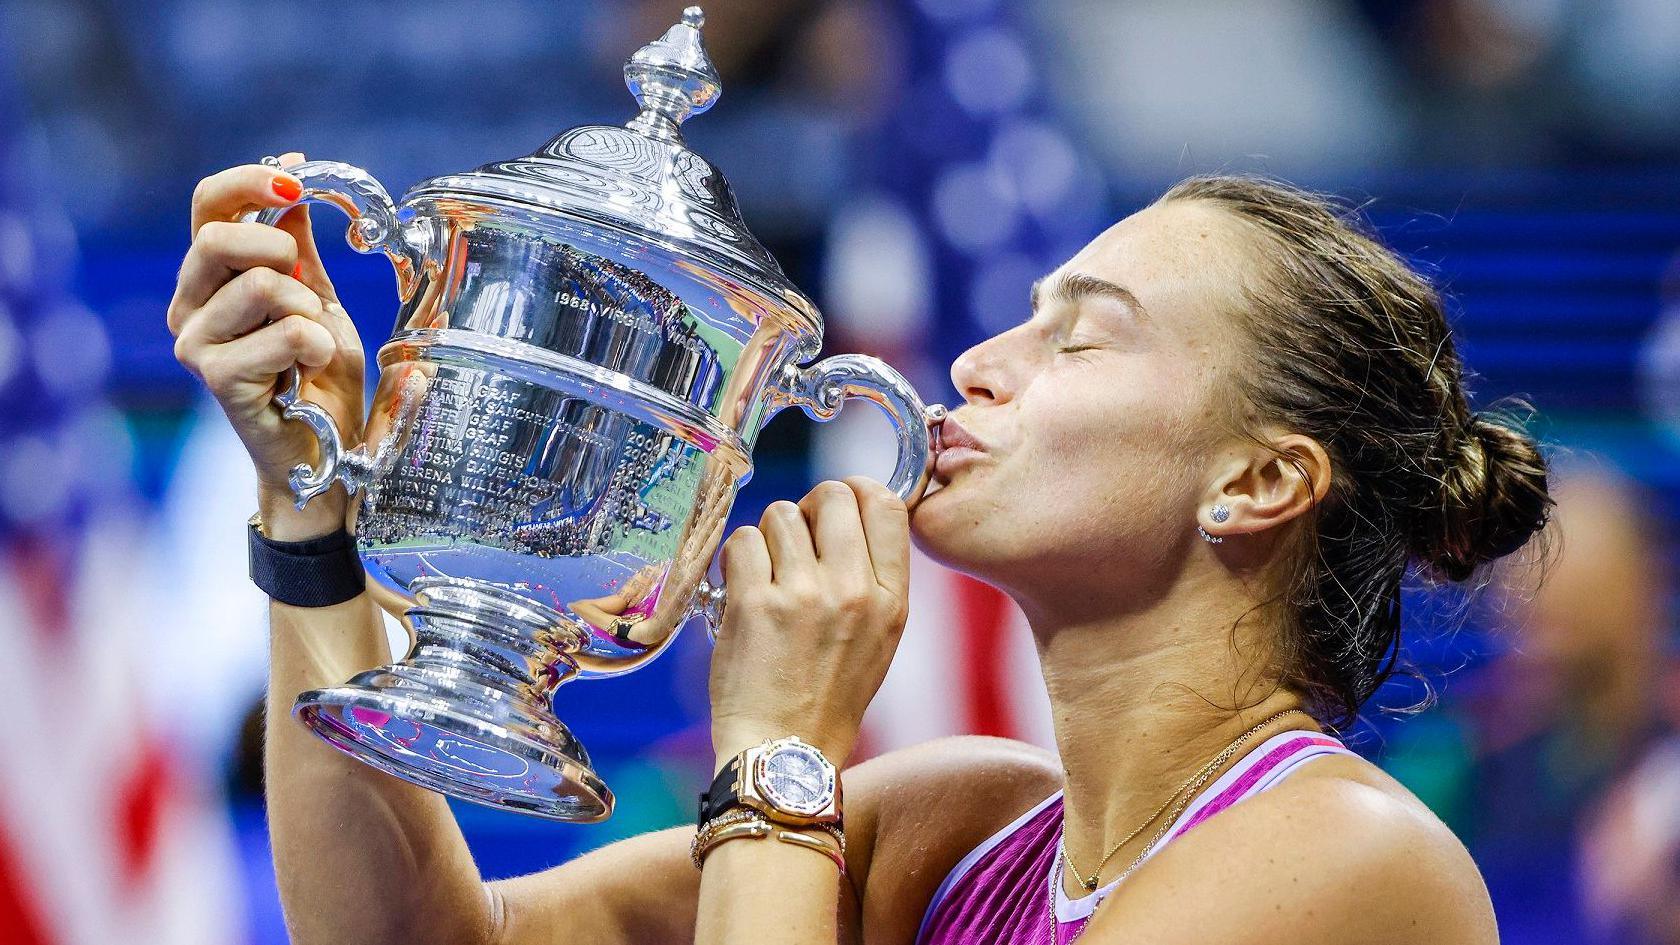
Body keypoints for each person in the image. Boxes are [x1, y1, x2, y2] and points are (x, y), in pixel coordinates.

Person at [167, 154, 1551, 944]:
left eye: (1080, 333)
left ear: (1257, 478)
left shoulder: (1352, 857)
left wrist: (778, 745)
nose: (980, 365)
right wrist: (311, 499)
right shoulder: (960, 826)